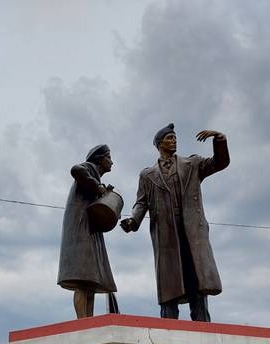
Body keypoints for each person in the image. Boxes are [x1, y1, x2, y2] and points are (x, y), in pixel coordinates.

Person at [120, 123, 229, 321]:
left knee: (197, 283)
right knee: (169, 288)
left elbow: (220, 162)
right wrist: (133, 221)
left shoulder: (193, 164)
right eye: (170, 138)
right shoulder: (147, 175)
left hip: (192, 234)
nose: (174, 140)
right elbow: (141, 202)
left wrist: (219, 139)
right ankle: (167, 330)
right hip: (166, 236)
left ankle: (204, 331)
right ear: (159, 143)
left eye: (175, 138)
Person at [57, 144, 118, 318]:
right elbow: (76, 169)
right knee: (82, 280)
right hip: (81, 229)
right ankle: (82, 322)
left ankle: (87, 322)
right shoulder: (89, 168)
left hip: (90, 230)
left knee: (90, 281)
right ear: (100, 159)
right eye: (109, 157)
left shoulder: (96, 177)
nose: (112, 162)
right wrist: (97, 186)